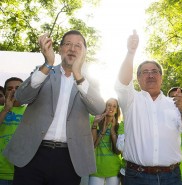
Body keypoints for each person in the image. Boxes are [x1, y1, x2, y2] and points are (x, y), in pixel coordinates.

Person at [3, 30, 105, 185]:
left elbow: (98, 108)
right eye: (68, 44)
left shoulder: (88, 80)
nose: (72, 49)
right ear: (59, 48)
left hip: (70, 158)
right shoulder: (43, 70)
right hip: (32, 154)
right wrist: (48, 63)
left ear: (84, 52)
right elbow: (21, 97)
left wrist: (77, 73)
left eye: (78, 46)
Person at [115, 30, 182, 185]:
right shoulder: (130, 100)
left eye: (154, 72)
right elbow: (122, 83)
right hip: (136, 177)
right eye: (145, 72)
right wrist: (131, 52)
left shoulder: (175, 104)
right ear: (138, 78)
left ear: (161, 77)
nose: (150, 75)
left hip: (171, 177)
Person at [89, 98, 123, 185]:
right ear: (104, 107)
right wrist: (100, 130)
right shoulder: (94, 121)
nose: (111, 108)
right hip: (96, 169)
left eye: (114, 106)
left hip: (113, 170)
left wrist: (112, 132)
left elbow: (118, 151)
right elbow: (92, 145)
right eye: (109, 105)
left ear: (116, 111)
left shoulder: (119, 127)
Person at [0, 77, 25, 185]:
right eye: (9, 89)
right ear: (5, 93)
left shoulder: (31, 111)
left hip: (24, 171)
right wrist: (6, 109)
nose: (14, 91)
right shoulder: (1, 110)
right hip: (2, 172)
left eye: (18, 88)